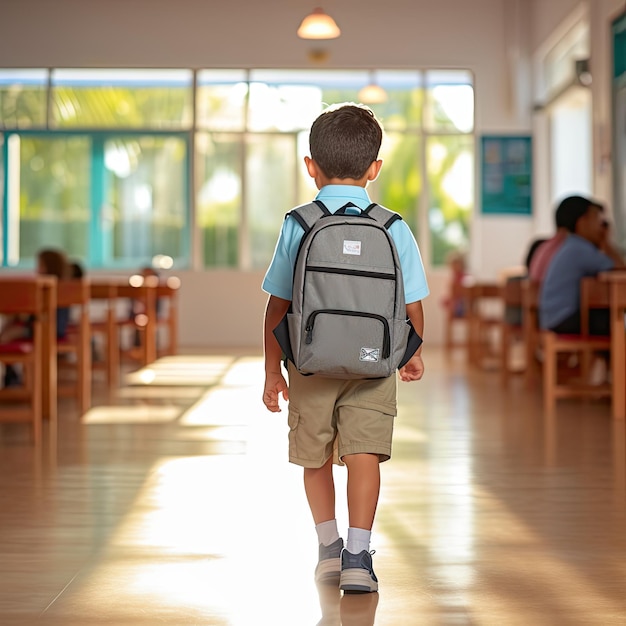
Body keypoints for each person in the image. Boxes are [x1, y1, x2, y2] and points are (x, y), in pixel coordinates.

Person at [262, 103, 429, 594]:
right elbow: (412, 301)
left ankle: (328, 549)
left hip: (309, 364)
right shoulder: (393, 226)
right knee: (364, 454)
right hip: (374, 363)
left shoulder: (299, 222)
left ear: (309, 166)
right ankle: (359, 555)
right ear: (374, 169)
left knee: (314, 456)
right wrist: (413, 350)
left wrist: (274, 370)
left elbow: (277, 308)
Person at [540, 198, 625, 336]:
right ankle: (618, 357)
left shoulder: (571, 245)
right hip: (564, 317)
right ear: (582, 223)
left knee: (608, 318)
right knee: (616, 321)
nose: (601, 227)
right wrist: (606, 242)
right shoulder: (580, 248)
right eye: (597, 219)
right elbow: (620, 269)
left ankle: (614, 356)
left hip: (554, 317)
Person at [1, 248, 71, 386]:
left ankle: (12, 374)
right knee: (8, 326)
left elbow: (55, 326)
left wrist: (23, 329)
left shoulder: (57, 289)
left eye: (40, 266)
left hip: (47, 330)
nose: (37, 270)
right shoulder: (40, 288)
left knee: (9, 331)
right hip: (37, 327)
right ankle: (11, 374)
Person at [530, 195, 597, 283]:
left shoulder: (545, 247)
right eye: (595, 219)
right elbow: (617, 269)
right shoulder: (575, 248)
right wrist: (604, 242)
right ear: (582, 221)